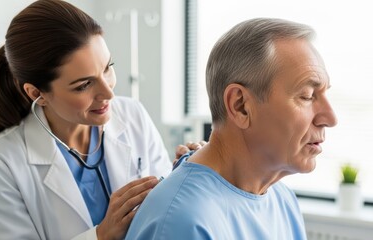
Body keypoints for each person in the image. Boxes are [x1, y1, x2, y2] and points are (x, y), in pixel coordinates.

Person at [0, 1, 200, 239]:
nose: (109, 93)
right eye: (84, 85)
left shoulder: (133, 115)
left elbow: (166, 216)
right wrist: (101, 235)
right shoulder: (0, 161)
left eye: (107, 68)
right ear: (37, 94)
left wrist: (188, 175)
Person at [125, 18, 338, 239]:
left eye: (325, 93)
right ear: (241, 106)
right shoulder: (182, 222)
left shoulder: (282, 200)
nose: (330, 118)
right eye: (307, 96)